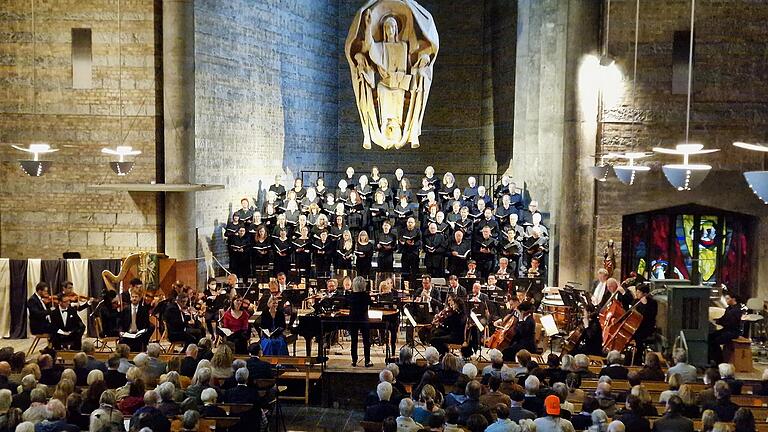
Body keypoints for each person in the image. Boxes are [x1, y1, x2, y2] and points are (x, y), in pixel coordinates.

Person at [709, 292, 743, 364]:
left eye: (728, 299)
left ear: (733, 299)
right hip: (727, 330)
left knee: (715, 341)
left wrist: (719, 322)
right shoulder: (729, 309)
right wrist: (716, 320)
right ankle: (712, 359)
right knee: (710, 336)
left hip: (733, 332)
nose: (726, 300)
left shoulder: (736, 310)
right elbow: (723, 318)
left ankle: (719, 361)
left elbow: (730, 323)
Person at [348, 276, 373, 367]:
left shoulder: (351, 295)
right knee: (366, 341)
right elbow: (371, 304)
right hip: (363, 319)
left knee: (353, 341)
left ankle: (354, 360)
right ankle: (367, 361)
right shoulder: (366, 295)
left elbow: (346, 304)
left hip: (353, 319)